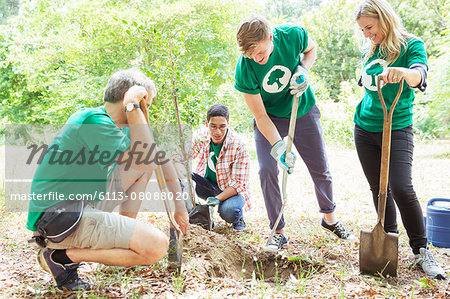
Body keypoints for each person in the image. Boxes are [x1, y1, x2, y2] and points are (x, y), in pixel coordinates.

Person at [26, 68, 189, 291]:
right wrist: (133, 105)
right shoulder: (93, 121)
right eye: (146, 106)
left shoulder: (118, 127)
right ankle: (59, 258)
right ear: (131, 100)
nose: (146, 113)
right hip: (60, 220)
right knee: (156, 246)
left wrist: (180, 209)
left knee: (144, 166)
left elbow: (157, 158)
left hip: (78, 207)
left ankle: (124, 235)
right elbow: (144, 151)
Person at [234, 16, 354, 251]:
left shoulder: (292, 35)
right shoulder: (245, 68)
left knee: (319, 166)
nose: (257, 60)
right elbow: (260, 116)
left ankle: (329, 218)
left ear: (270, 37)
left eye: (259, 52)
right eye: (251, 56)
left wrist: (303, 69)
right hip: (270, 117)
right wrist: (278, 147)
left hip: (302, 109)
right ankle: (278, 231)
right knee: (267, 170)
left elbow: (311, 49)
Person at [353, 0, 446, 279]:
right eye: (362, 30)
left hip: (398, 127)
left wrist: (405, 74)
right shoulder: (372, 49)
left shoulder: (411, 45)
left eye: (369, 27)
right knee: (379, 189)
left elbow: (420, 76)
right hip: (365, 127)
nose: (366, 33)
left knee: (401, 187)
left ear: (384, 19)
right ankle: (388, 240)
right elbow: (366, 84)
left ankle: (421, 251)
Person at [190, 103, 250, 230]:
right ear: (207, 124)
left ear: (228, 124)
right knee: (182, 174)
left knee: (229, 212)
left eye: (222, 127)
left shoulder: (239, 145)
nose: (217, 132)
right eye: (213, 127)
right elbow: (184, 157)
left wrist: (216, 199)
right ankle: (190, 215)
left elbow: (239, 184)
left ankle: (238, 217)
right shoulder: (201, 136)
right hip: (207, 185)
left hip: (230, 190)